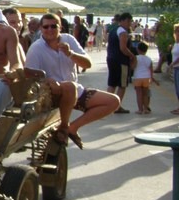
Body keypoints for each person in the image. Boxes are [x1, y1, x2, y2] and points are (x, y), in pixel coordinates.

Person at [25, 13, 119, 149]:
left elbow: (87, 64)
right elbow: (30, 75)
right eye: (46, 27)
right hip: (51, 94)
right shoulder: (36, 48)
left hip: (74, 91)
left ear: (60, 27)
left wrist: (70, 54)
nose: (49, 30)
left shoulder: (68, 39)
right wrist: (47, 81)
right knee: (69, 87)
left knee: (113, 101)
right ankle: (63, 126)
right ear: (41, 28)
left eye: (53, 26)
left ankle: (71, 127)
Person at [106, 12, 136, 114]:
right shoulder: (123, 32)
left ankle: (106, 104)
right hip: (121, 60)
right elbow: (123, 48)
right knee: (122, 85)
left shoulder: (113, 30)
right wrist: (132, 56)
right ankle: (117, 106)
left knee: (112, 83)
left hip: (111, 58)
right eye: (128, 21)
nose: (129, 23)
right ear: (122, 21)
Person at [132, 41, 158, 114]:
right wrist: (151, 78)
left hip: (138, 77)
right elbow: (151, 70)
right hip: (146, 77)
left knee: (139, 94)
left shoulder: (136, 58)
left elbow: (133, 67)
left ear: (138, 49)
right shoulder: (149, 59)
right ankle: (146, 109)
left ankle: (140, 109)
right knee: (145, 94)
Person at [168, 24, 179, 115]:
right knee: (177, 89)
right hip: (176, 68)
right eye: (176, 31)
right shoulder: (175, 43)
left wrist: (172, 64)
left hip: (177, 67)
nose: (178, 33)